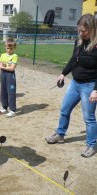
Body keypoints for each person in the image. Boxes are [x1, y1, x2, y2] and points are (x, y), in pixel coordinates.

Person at [45, 14, 97, 158]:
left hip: (90, 85)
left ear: (92, 29)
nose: (81, 33)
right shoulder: (79, 41)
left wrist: (95, 90)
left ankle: (91, 144)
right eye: (79, 30)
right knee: (64, 109)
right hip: (75, 83)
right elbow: (74, 59)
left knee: (89, 117)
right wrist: (63, 73)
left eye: (84, 31)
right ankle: (60, 134)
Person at [0, 38, 18, 118]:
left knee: (11, 92)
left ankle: (12, 110)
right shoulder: (2, 55)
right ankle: (4, 107)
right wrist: (2, 67)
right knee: (3, 91)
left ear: (14, 48)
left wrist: (3, 67)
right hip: (3, 75)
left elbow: (12, 68)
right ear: (5, 47)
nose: (9, 50)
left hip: (10, 76)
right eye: (7, 48)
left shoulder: (15, 56)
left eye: (11, 48)